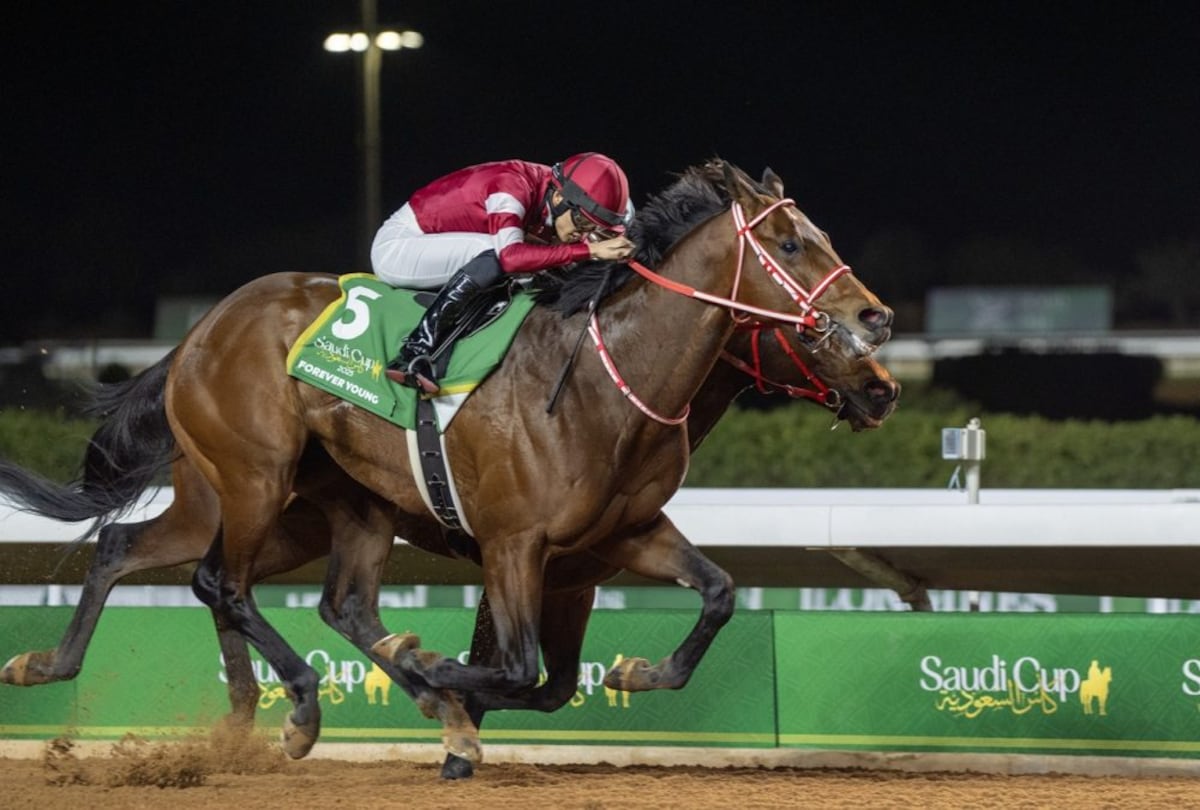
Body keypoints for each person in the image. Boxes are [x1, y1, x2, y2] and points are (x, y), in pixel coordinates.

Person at [371, 152, 637, 393]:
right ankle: (414, 351)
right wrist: (590, 251)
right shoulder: (511, 185)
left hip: (442, 243)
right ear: (559, 198)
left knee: (543, 264)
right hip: (399, 247)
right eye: (581, 221)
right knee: (496, 253)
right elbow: (510, 258)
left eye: (593, 227)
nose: (583, 233)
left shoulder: (557, 193)